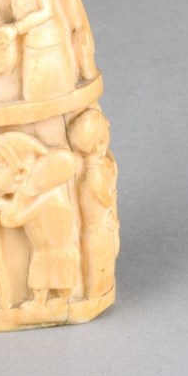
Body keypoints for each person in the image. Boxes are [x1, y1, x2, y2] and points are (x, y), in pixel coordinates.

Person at [0, 132, 79, 308]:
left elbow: (10, 219)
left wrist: (1, 201)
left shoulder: (48, 198)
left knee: (52, 278)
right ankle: (44, 300)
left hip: (53, 251)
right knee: (45, 278)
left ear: (21, 173)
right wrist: (1, 203)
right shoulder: (41, 195)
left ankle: (51, 301)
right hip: (46, 250)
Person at [68, 109, 120, 298]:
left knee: (104, 261)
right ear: (99, 142)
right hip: (97, 231)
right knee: (99, 266)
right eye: (106, 129)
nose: (109, 127)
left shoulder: (97, 168)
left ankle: (97, 292)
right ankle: (94, 295)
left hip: (100, 228)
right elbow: (106, 199)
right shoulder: (94, 175)